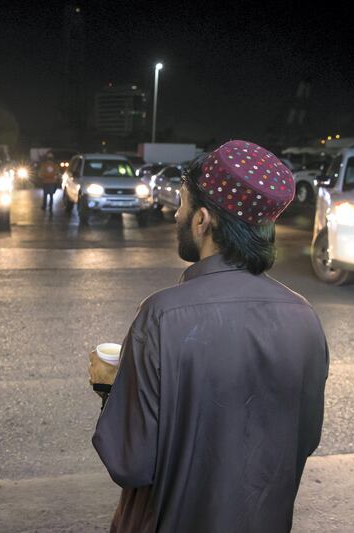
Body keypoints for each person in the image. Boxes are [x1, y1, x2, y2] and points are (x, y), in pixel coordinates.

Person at [89, 140, 329, 532]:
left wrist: (110, 389)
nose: (176, 216)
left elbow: (129, 462)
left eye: (182, 204)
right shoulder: (304, 316)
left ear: (202, 220)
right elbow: (304, 439)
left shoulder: (163, 315)